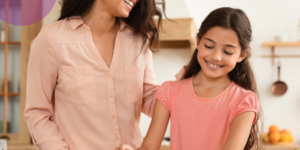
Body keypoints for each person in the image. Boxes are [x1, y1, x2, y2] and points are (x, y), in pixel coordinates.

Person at [24, 0, 166, 149]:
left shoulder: (139, 40)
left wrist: (186, 83)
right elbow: (37, 113)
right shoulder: (51, 40)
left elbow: (151, 100)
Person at [116, 7, 261, 150]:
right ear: (198, 42)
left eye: (227, 52)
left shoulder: (244, 101)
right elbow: (148, 147)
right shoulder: (169, 91)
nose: (216, 56)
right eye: (209, 46)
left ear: (242, 55)